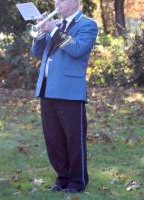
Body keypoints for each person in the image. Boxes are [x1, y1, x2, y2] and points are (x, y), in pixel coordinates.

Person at [30, 0, 98, 193]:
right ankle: (62, 179)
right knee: (53, 139)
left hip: (70, 91)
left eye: (61, 0)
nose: (56, 3)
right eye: (55, 0)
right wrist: (41, 32)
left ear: (75, 2)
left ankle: (78, 181)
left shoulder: (88, 25)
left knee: (73, 139)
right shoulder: (56, 26)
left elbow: (76, 49)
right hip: (47, 89)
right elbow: (36, 52)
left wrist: (52, 31)